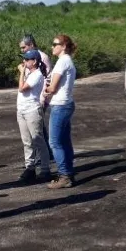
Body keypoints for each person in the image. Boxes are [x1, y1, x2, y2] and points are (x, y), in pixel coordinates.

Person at [44, 34, 77, 189]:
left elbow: (53, 87)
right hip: (66, 103)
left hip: (60, 105)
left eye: (55, 44)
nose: (52, 47)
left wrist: (45, 90)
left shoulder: (62, 62)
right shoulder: (67, 61)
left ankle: (64, 176)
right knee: (64, 141)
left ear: (63, 46)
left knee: (54, 142)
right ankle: (68, 173)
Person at [16, 49, 52, 183]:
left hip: (32, 110)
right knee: (27, 141)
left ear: (34, 61)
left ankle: (45, 169)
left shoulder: (37, 75)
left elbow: (22, 88)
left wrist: (21, 72)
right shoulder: (29, 74)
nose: (24, 62)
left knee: (38, 140)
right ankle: (30, 167)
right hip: (22, 110)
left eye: (26, 59)